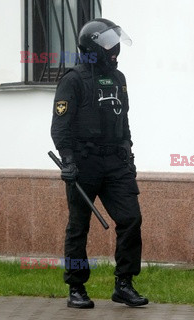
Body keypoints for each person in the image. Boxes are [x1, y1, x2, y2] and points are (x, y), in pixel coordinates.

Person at [51, 18, 148, 309]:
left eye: (114, 43)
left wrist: (128, 153)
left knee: (131, 219)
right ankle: (76, 287)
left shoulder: (119, 79)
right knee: (79, 226)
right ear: (92, 47)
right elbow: (60, 127)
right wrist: (68, 161)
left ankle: (124, 284)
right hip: (84, 163)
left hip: (116, 163)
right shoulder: (72, 80)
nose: (114, 50)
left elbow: (124, 121)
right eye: (107, 44)